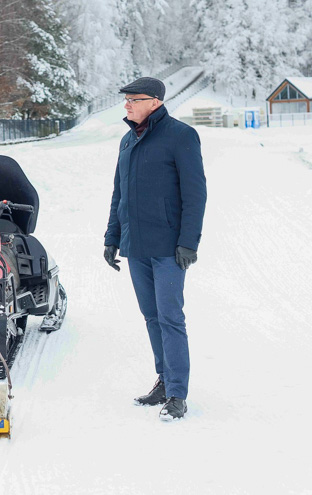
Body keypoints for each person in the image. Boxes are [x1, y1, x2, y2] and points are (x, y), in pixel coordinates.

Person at [103, 76, 206, 421]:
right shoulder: (127, 142)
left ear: (156, 102)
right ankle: (163, 381)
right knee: (151, 317)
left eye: (134, 99)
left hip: (168, 249)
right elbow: (120, 195)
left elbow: (195, 195)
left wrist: (189, 243)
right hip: (137, 247)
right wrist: (112, 238)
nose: (127, 104)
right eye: (126, 100)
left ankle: (178, 393)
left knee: (170, 318)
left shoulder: (181, 136)